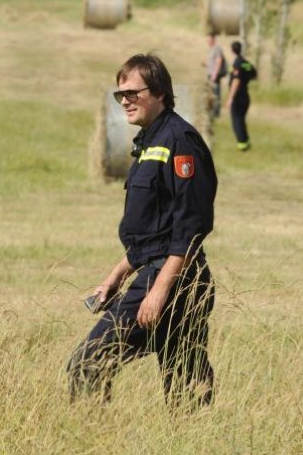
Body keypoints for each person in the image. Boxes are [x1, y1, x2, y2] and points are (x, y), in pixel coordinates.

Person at [67, 54, 218, 408]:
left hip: (176, 279)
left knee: (88, 363)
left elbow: (190, 228)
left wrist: (159, 290)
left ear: (161, 92)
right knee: (187, 388)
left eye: (133, 92)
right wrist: (115, 276)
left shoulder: (180, 141)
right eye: (120, 95)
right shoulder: (150, 142)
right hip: (159, 272)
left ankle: (90, 445)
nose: (125, 101)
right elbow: (152, 231)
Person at [224, 41, 256, 151]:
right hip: (245, 95)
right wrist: (245, 80)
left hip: (238, 97)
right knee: (241, 120)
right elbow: (254, 74)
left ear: (232, 50)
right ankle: (246, 142)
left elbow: (236, 81)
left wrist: (230, 98)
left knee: (236, 121)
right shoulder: (245, 63)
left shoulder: (237, 64)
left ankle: (242, 146)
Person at [206, 33, 228, 118]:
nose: (207, 41)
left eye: (209, 39)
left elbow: (219, 61)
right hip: (211, 75)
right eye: (207, 39)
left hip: (214, 76)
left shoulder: (217, 48)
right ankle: (212, 111)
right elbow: (213, 63)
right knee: (211, 93)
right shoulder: (212, 49)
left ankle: (216, 113)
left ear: (213, 39)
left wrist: (214, 75)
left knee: (216, 94)